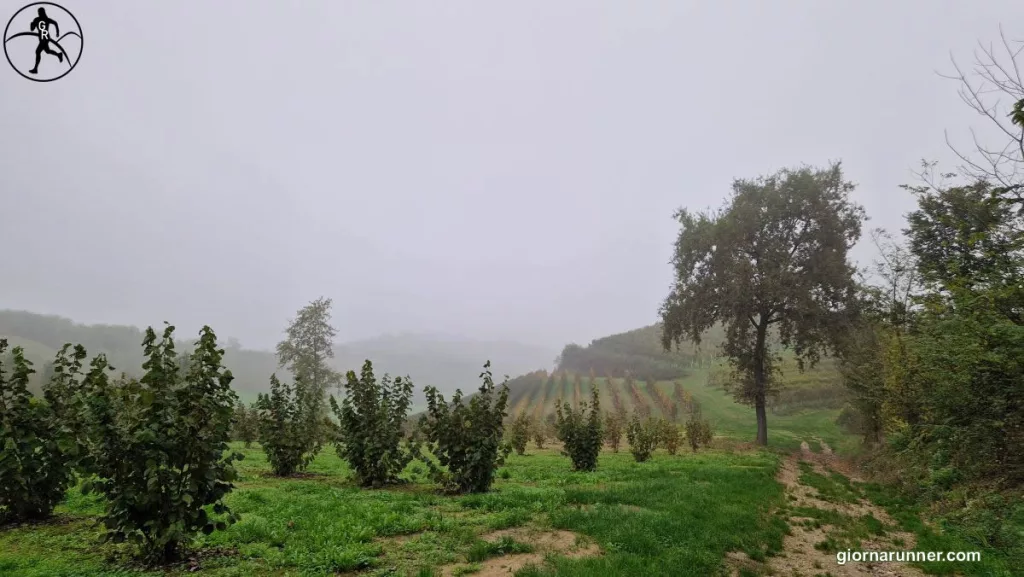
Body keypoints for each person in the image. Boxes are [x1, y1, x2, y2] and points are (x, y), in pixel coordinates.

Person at [28, 7, 62, 74]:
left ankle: (35, 69)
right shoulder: (37, 19)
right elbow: (32, 29)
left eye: (41, 12)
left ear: (43, 12)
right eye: (39, 12)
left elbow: (55, 23)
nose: (40, 13)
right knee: (47, 51)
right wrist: (31, 24)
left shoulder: (46, 19)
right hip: (41, 38)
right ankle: (58, 54)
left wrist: (57, 32)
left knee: (38, 51)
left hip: (45, 37)